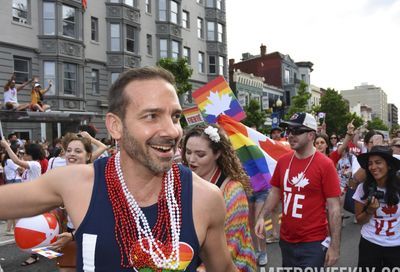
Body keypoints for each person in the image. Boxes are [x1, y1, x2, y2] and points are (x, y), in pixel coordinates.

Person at [0, 66, 235, 271]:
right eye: (152, 116)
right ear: (115, 126)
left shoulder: (204, 197)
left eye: (175, 117)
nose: (172, 131)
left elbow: (224, 269)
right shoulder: (76, 183)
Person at [255, 112, 342, 268]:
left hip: (313, 243)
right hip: (286, 240)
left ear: (310, 135)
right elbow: (275, 192)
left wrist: (335, 247)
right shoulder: (283, 161)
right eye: (289, 131)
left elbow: (334, 208)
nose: (290, 135)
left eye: (296, 131)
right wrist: (262, 216)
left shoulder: (325, 164)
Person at [181, 124, 257, 271]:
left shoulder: (233, 191)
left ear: (217, 154)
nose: (191, 159)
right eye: (188, 152)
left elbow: (231, 245)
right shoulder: (183, 182)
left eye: (200, 154)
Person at [50, 133, 93, 271]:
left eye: (78, 151)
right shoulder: (63, 179)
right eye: (68, 150)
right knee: (65, 268)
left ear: (88, 156)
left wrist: (73, 235)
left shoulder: (96, 180)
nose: (71, 154)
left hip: (90, 237)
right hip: (67, 234)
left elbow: (101, 217)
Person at [353, 145, 400, 270]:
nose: (373, 167)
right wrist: (369, 210)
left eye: (378, 162)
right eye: (370, 163)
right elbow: (359, 220)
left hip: (396, 246)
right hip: (370, 244)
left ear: (389, 165)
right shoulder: (363, 188)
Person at [0, 141, 43, 266]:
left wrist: (7, 146)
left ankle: (35, 255)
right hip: (29, 203)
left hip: (34, 204)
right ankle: (38, 253)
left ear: (31, 155)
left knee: (33, 230)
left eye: (25, 153)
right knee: (32, 229)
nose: (23, 154)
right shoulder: (31, 166)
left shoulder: (35, 164)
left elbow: (17, 162)